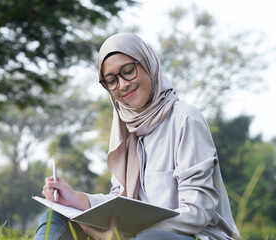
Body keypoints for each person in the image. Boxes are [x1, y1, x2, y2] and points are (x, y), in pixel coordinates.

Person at [34, 32, 241, 240]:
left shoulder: (185, 118)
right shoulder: (127, 128)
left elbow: (197, 213)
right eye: (111, 80)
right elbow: (120, 202)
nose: (122, 85)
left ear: (147, 63)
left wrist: (130, 235)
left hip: (195, 236)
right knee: (56, 215)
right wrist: (76, 199)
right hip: (137, 234)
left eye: (128, 71)